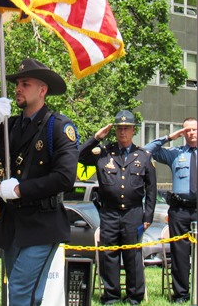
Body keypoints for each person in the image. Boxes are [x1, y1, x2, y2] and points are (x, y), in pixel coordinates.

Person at [0, 58, 79, 306]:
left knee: (20, 292)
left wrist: (19, 189)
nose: (18, 88)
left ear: (42, 90)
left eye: (25, 84)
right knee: (24, 295)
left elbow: (65, 177)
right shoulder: (11, 126)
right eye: (17, 83)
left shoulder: (58, 126)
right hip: (14, 223)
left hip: (42, 223)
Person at [79, 109, 157, 305]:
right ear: (115, 131)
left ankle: (134, 296)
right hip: (110, 213)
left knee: (132, 255)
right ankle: (111, 295)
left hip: (133, 213)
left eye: (127, 129)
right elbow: (79, 155)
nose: (123, 132)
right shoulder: (104, 153)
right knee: (109, 256)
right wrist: (96, 138)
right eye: (120, 129)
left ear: (133, 131)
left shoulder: (144, 156)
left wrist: (148, 216)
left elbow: (152, 190)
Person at [144, 117, 197, 304]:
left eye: (194, 129)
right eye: (187, 130)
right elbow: (147, 150)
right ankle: (181, 294)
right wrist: (169, 137)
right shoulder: (175, 153)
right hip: (180, 210)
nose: (191, 133)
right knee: (179, 254)